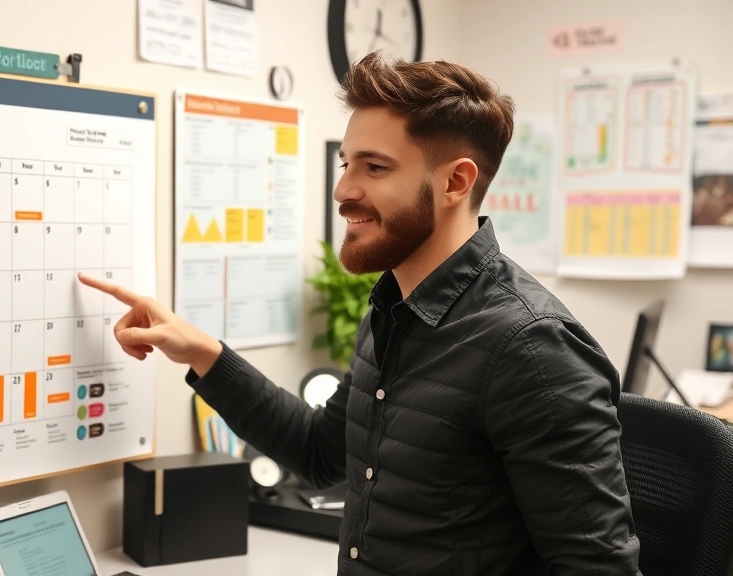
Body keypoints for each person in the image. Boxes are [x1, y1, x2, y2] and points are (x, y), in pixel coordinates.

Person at [79, 52, 642, 575]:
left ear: (456, 182)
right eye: (347, 163)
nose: (342, 189)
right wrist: (200, 351)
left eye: (374, 168)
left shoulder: (532, 348)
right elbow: (323, 453)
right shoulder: (394, 307)